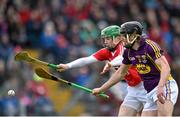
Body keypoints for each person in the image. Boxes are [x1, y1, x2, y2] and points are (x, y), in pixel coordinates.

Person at [92, 21, 179, 116]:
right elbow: (121, 73)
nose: (122, 39)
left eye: (124, 36)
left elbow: (166, 67)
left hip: (165, 86)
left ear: (134, 35)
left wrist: (161, 87)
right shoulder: (128, 52)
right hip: (149, 90)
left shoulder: (149, 46)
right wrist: (101, 89)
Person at [57, 25, 147, 116]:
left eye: (107, 39)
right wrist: (67, 65)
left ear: (117, 38)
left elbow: (122, 58)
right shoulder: (106, 51)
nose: (105, 42)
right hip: (132, 88)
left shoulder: (124, 48)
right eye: (104, 39)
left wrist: (111, 64)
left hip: (144, 86)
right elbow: (87, 60)